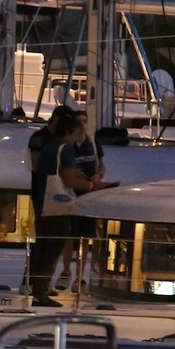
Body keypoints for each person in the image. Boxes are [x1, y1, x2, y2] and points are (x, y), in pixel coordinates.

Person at [28, 113, 94, 306]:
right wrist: (90, 185)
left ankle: (38, 288)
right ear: (68, 133)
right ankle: (41, 293)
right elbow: (69, 180)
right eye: (75, 134)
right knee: (53, 248)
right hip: (56, 208)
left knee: (43, 248)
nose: (76, 139)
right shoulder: (65, 150)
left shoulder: (48, 148)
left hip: (42, 204)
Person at [55, 119, 106, 291]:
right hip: (71, 194)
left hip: (90, 196)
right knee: (71, 235)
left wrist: (98, 176)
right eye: (80, 122)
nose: (84, 125)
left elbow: (101, 166)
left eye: (86, 121)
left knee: (85, 236)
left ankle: (80, 277)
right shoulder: (68, 146)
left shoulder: (93, 142)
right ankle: (66, 271)